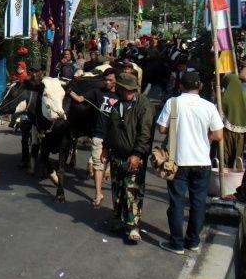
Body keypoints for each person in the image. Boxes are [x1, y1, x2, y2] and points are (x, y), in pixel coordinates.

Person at [156, 72, 224, 255]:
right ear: (200, 86)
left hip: (178, 161)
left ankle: (176, 243)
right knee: (198, 203)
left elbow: (161, 129)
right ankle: (193, 241)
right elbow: (218, 135)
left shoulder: (173, 103)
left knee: (177, 202)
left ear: (181, 86)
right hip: (202, 161)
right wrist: (204, 138)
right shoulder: (209, 106)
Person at [103, 73, 153, 244]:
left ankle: (133, 226)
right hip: (117, 155)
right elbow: (110, 129)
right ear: (121, 89)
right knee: (117, 190)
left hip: (134, 156)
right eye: (127, 90)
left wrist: (137, 154)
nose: (129, 93)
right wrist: (105, 147)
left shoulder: (143, 105)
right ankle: (118, 219)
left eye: (132, 90)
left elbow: (145, 133)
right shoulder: (116, 105)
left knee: (131, 191)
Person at [68, 68, 117, 207]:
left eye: (110, 80)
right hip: (99, 136)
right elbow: (79, 99)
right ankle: (98, 193)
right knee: (98, 165)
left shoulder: (122, 95)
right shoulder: (97, 92)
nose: (107, 82)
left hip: (117, 137)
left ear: (116, 80)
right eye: (105, 80)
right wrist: (68, 91)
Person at [220, 73, 246, 167]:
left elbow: (219, 116)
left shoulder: (224, 98)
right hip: (242, 133)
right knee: (238, 159)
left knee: (225, 160)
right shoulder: (244, 95)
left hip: (226, 132)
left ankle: (225, 180)